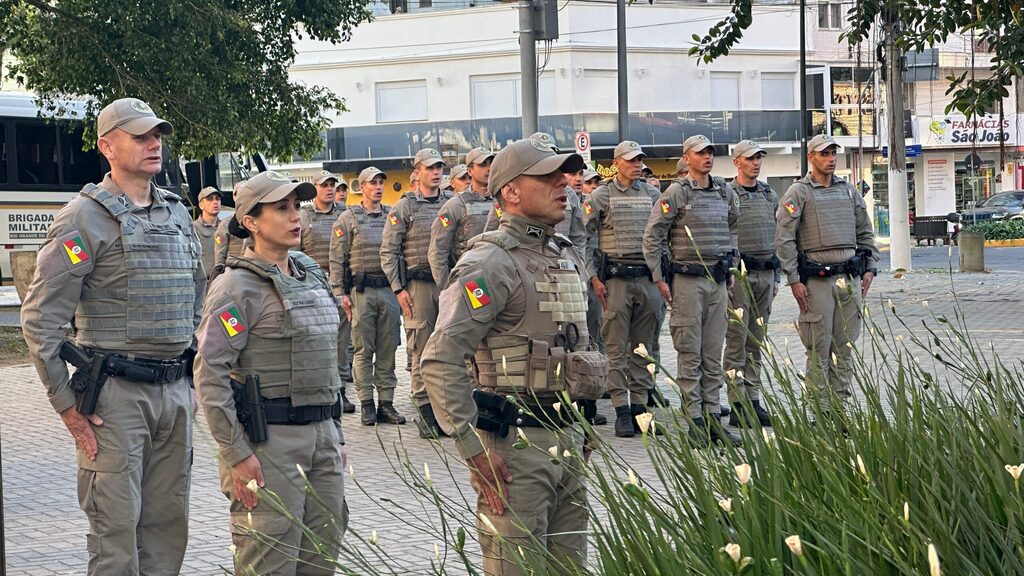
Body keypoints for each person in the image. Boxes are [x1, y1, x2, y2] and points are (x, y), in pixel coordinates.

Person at [21, 97, 203, 575]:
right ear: (107, 146)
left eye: (157, 134)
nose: (154, 143)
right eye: (140, 135)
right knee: (116, 541)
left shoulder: (178, 214)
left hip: (175, 395)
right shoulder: (84, 218)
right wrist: (66, 406)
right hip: (115, 402)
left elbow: (195, 300)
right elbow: (40, 319)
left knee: (167, 535)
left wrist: (193, 379)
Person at [421, 135, 603, 576]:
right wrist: (472, 450)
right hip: (515, 452)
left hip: (568, 441)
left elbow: (580, 344)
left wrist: (583, 424)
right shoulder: (490, 262)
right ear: (511, 192)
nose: (564, 183)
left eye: (564, 174)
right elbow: (441, 358)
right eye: (548, 176)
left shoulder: (563, 255)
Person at [195, 171, 348, 575]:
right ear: (251, 221)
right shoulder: (236, 287)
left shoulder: (310, 273)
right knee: (270, 563)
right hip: (268, 446)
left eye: (296, 206)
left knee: (321, 560)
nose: (295, 216)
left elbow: (326, 361)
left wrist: (336, 432)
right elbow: (210, 374)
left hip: (322, 439)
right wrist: (237, 454)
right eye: (281, 208)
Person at [643, 134, 741, 447]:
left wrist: (732, 265)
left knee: (713, 354)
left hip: (717, 281)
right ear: (687, 158)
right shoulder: (677, 192)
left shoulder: (724, 190)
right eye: (700, 153)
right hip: (686, 282)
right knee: (690, 353)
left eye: (711, 152)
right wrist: (659, 277)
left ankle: (713, 418)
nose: (707, 157)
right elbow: (653, 235)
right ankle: (694, 421)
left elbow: (732, 228)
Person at [776, 134, 879, 417]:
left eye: (833, 152)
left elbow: (864, 231)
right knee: (819, 350)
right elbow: (784, 239)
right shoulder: (799, 193)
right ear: (811, 157)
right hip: (817, 282)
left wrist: (870, 267)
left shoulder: (848, 191)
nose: (831, 158)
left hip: (849, 279)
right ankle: (820, 412)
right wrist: (794, 279)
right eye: (824, 153)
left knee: (844, 349)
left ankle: (840, 409)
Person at [583, 140, 661, 438]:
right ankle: (621, 410)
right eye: (631, 161)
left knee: (644, 348)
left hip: (646, 279)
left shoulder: (653, 195)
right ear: (617, 163)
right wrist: (593, 278)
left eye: (640, 159)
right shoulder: (601, 196)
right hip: (614, 281)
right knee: (616, 349)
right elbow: (586, 240)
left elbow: (661, 238)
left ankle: (641, 409)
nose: (637, 165)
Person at [380, 148, 452, 434]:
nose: (436, 173)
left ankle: (445, 407)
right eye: (430, 168)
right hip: (419, 286)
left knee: (450, 346)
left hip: (448, 284)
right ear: (417, 172)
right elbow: (389, 250)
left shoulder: (452, 203)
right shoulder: (405, 207)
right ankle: (425, 410)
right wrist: (398, 288)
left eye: (440, 168)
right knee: (421, 346)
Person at [330, 167, 404, 426]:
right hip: (360, 292)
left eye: (381, 182)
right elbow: (337, 259)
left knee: (388, 349)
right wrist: (340, 293)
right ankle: (366, 404)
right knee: (363, 350)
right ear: (361, 187)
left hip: (388, 290)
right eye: (373, 183)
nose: (378, 187)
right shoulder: (348, 219)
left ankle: (386, 403)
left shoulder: (392, 216)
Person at [723, 140, 779, 427]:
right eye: (750, 158)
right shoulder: (727, 194)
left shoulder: (769, 195)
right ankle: (736, 403)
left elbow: (780, 236)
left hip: (765, 274)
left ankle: (753, 399)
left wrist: (777, 276)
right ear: (737, 162)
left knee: (756, 341)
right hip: (740, 275)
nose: (756, 163)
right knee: (737, 340)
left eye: (759, 158)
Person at [301, 170, 356, 414]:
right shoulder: (304, 216)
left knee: (341, 342)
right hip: (311, 286)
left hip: (340, 286)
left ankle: (340, 391)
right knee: (313, 342)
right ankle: (316, 391)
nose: (330, 189)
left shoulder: (345, 214)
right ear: (315, 189)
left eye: (333, 185)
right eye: (325, 185)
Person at [429, 147, 495, 290]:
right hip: (471, 282)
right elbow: (438, 251)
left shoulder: (504, 201)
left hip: (501, 277)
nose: (489, 168)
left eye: (491, 163)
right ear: (470, 171)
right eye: (483, 165)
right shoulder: (455, 205)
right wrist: (448, 287)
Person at [212, 181, 252, 280]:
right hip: (233, 275)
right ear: (234, 196)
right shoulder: (225, 225)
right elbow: (220, 257)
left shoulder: (258, 222)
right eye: (241, 193)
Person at [194, 186, 222, 280]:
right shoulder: (193, 228)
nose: (215, 202)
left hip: (223, 283)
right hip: (203, 284)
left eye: (217, 199)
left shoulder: (225, 228)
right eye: (210, 199)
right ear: (201, 205)